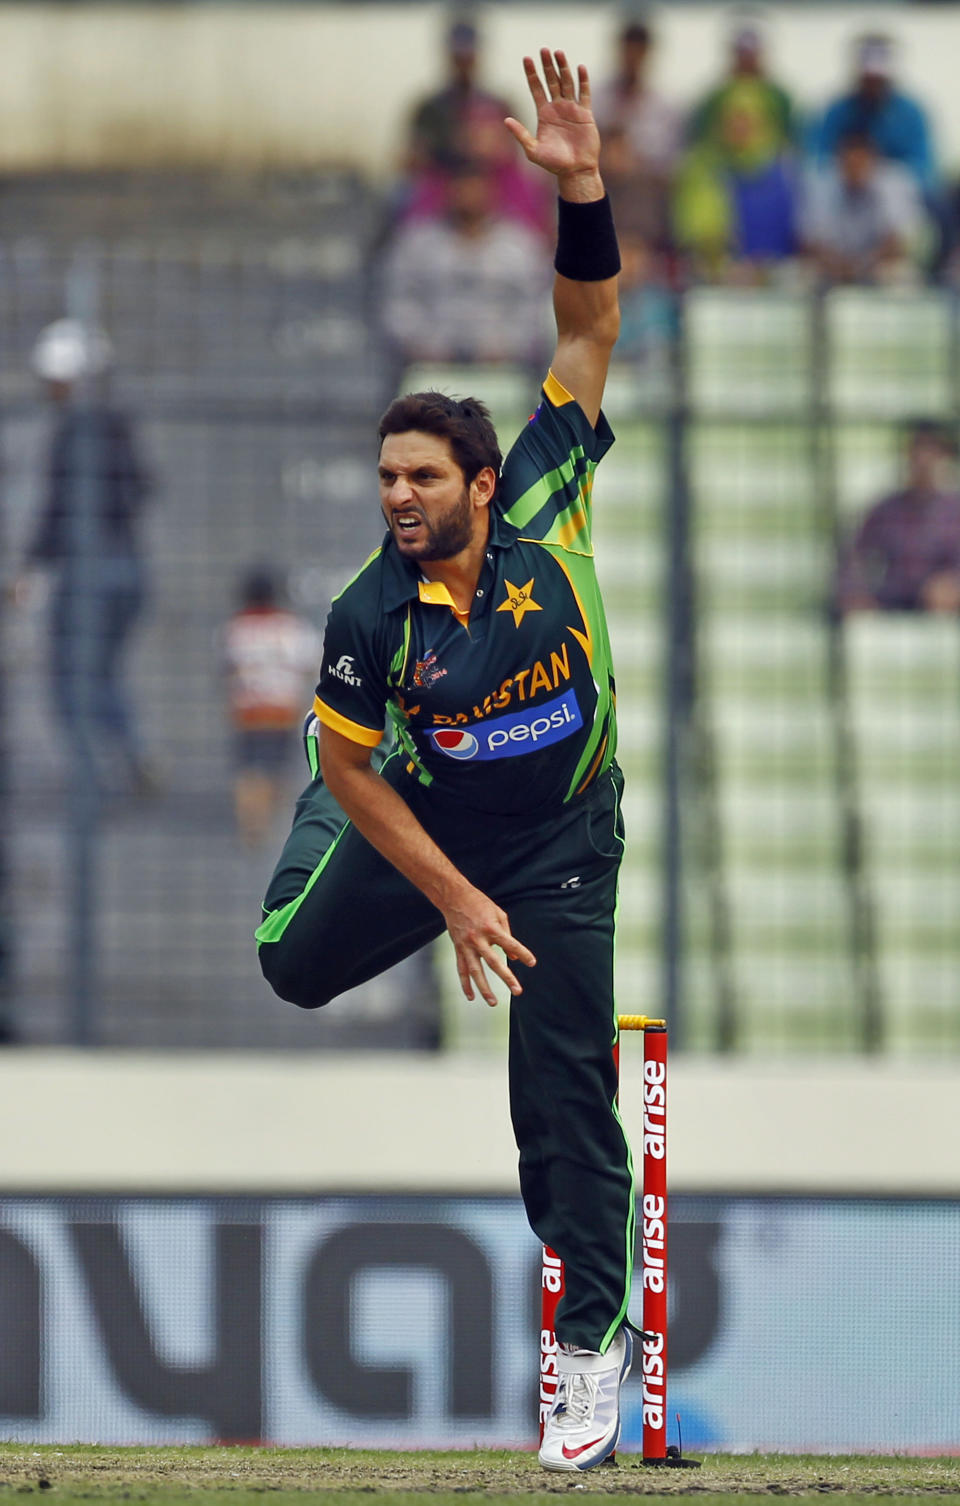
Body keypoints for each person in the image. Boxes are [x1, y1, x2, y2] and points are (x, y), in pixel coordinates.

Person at [258, 49, 634, 1472]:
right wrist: (452, 897)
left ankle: (588, 1353)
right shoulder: (369, 612)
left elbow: (588, 327)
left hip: (564, 841)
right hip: (418, 815)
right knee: (292, 958)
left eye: (420, 479)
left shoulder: (546, 487)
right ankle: (377, 830)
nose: (398, 500)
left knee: (561, 1091)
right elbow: (361, 776)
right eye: (384, 482)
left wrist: (583, 187)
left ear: (480, 482)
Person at [12, 319, 156, 794]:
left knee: (71, 680)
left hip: (86, 575)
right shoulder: (119, 426)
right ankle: (132, 753)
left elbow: (59, 510)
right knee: (98, 674)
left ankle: (89, 783)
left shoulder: (74, 430)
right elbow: (143, 488)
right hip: (128, 570)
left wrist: (30, 566)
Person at [379, 156, 551, 368]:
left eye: (477, 187)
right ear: (449, 191)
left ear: (493, 191)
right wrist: (421, 344)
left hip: (503, 369)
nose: (469, 195)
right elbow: (397, 303)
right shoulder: (416, 244)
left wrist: (507, 347)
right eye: (462, 187)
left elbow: (536, 308)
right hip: (431, 366)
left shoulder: (523, 246)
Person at [219, 567, 321, 848]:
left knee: (248, 769)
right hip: (282, 711)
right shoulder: (291, 626)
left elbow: (228, 669)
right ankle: (265, 819)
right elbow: (310, 665)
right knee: (277, 768)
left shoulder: (236, 627)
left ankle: (251, 821)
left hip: (248, 711)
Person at [835, 422, 960, 616]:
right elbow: (853, 558)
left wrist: (953, 585)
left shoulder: (954, 512)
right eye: (917, 449)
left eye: (931, 450)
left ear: (945, 456)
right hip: (891, 605)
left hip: (942, 612)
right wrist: (856, 592)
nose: (923, 459)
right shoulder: (885, 510)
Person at [813, 34, 938, 200]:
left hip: (897, 194)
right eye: (868, 80)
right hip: (845, 191)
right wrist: (852, 170)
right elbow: (818, 158)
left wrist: (878, 173)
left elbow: (923, 166)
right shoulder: (837, 111)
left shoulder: (911, 113)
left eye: (877, 80)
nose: (872, 86)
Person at [800, 130, 927, 286]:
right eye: (849, 164)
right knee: (804, 273)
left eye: (860, 164)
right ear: (838, 161)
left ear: (874, 161)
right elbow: (810, 241)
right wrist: (837, 265)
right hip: (833, 266)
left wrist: (865, 265)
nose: (854, 171)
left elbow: (901, 241)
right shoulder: (822, 183)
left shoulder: (895, 182)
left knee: (903, 273)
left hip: (877, 265)